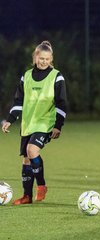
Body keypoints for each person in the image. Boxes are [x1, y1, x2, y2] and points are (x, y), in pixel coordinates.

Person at [1, 40, 67, 205]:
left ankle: (42, 185)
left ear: (51, 59)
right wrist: (10, 120)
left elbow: (62, 102)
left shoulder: (56, 76)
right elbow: (19, 100)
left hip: (46, 123)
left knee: (32, 150)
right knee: (26, 159)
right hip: (28, 124)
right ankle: (27, 196)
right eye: (40, 58)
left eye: (47, 59)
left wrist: (58, 125)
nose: (43, 61)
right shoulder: (27, 76)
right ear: (35, 58)